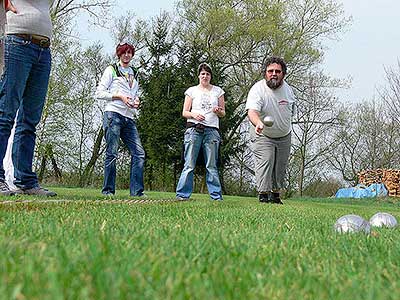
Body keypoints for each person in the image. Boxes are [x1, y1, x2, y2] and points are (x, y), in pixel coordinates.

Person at [0, 0, 56, 196]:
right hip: (17, 43)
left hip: (43, 49)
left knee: (30, 121)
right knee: (6, 114)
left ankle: (25, 180)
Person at [95, 42, 146, 197]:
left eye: (129, 52)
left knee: (139, 153)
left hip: (129, 117)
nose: (127, 55)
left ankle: (137, 192)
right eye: (124, 52)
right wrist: (119, 97)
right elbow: (99, 93)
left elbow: (134, 93)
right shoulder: (112, 69)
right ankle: (108, 191)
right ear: (119, 54)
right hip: (113, 114)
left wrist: (137, 101)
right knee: (112, 153)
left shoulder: (135, 72)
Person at [245, 56, 296, 204]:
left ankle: (275, 195)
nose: (274, 74)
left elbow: (291, 111)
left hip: (284, 135)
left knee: (280, 167)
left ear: (283, 74)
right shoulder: (258, 89)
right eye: (270, 71)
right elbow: (252, 112)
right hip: (263, 134)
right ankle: (263, 194)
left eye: (277, 71)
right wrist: (258, 123)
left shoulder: (288, 91)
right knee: (266, 160)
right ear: (265, 73)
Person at [176, 63, 225, 201]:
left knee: (211, 165)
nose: (205, 76)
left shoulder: (218, 91)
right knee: (189, 163)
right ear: (199, 76)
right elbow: (184, 112)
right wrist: (194, 115)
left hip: (212, 131)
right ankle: (182, 195)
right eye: (203, 74)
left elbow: (223, 113)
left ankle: (216, 196)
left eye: (208, 74)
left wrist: (218, 111)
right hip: (194, 129)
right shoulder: (191, 91)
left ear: (211, 76)